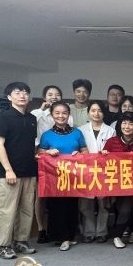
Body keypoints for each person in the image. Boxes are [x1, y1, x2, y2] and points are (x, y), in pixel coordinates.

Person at [0, 82, 39, 259]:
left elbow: (29, 145)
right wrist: (8, 169)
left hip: (29, 171)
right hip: (8, 173)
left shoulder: (32, 118)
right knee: (6, 210)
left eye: (26, 92)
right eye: (18, 92)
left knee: (26, 209)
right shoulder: (2, 117)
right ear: (9, 96)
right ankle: (3, 244)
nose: (22, 95)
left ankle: (21, 241)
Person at [38, 101, 88, 251]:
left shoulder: (77, 133)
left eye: (64, 113)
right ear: (52, 115)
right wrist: (48, 152)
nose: (61, 116)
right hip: (54, 177)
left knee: (72, 206)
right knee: (57, 207)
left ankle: (70, 236)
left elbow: (85, 152)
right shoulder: (46, 135)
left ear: (69, 115)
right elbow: (39, 155)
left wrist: (79, 154)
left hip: (73, 176)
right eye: (57, 113)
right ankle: (62, 237)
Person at [31, 84, 73, 244]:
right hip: (42, 157)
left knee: (60, 196)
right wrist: (43, 110)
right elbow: (30, 123)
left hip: (62, 161)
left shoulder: (66, 115)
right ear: (44, 97)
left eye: (57, 94)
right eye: (50, 94)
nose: (54, 97)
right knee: (41, 195)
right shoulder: (38, 114)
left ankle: (62, 230)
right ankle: (41, 229)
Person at [103, 112, 133, 248]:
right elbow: (103, 162)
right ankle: (118, 235)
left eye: (131, 124)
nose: (127, 127)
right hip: (116, 183)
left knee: (131, 208)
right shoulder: (111, 142)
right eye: (124, 123)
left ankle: (124, 234)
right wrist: (104, 154)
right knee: (124, 208)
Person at [78, 101, 116, 243]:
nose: (96, 113)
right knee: (85, 204)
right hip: (85, 171)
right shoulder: (81, 130)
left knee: (103, 203)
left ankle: (101, 232)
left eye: (99, 110)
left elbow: (114, 150)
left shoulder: (110, 130)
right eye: (93, 110)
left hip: (103, 171)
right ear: (88, 113)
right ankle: (88, 232)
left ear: (104, 113)